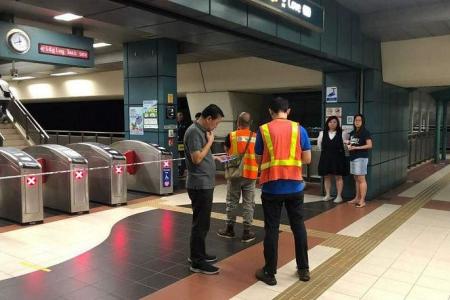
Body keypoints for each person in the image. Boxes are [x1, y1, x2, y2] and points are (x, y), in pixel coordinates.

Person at [254, 97, 311, 286]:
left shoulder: (263, 130)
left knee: (272, 229)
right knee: (298, 227)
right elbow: (308, 159)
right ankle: (303, 270)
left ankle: (270, 272)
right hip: (295, 186)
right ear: (289, 111)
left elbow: (258, 159)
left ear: (270, 111)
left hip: (272, 187)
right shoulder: (299, 129)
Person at [184, 104, 224, 275]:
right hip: (199, 185)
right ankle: (197, 262)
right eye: (216, 123)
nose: (216, 127)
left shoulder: (200, 131)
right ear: (208, 119)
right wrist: (210, 142)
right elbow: (196, 158)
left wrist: (214, 156)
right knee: (200, 224)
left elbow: (202, 154)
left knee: (203, 223)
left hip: (204, 183)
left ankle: (199, 254)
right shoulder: (194, 132)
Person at [217, 112, 258, 243]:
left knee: (232, 201)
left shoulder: (231, 136)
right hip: (251, 174)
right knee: (248, 203)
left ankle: (229, 229)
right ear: (250, 123)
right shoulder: (256, 137)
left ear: (237, 123)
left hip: (235, 174)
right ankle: (247, 232)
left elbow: (226, 150)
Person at [317, 116, 349, 204]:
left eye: (335, 122)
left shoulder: (343, 133)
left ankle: (339, 196)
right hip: (325, 157)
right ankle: (328, 195)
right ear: (327, 123)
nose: (332, 124)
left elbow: (346, 147)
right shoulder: (322, 133)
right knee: (326, 176)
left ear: (338, 123)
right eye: (330, 122)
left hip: (338, 158)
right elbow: (319, 145)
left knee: (338, 176)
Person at [347, 114, 373, 208]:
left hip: (361, 158)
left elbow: (369, 145)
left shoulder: (365, 132)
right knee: (356, 179)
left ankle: (362, 200)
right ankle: (357, 198)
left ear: (362, 122)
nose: (357, 122)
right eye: (356, 120)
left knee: (361, 179)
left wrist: (357, 147)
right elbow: (352, 144)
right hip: (353, 157)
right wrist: (348, 144)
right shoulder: (353, 133)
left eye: (359, 120)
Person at [177, 112, 191, 177]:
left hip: (182, 143)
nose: (179, 117)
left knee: (182, 157)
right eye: (178, 116)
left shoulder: (185, 124)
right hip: (177, 143)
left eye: (180, 115)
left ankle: (181, 172)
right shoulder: (176, 124)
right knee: (178, 157)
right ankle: (178, 170)